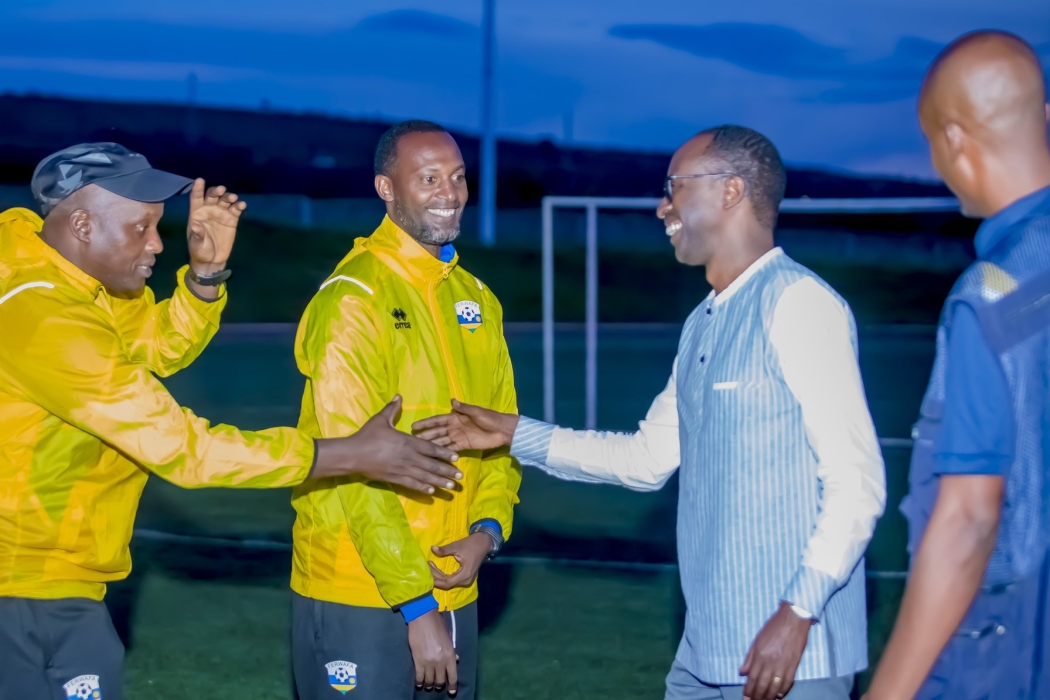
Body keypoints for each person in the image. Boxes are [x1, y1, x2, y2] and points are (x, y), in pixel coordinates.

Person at [0, 142, 464, 700]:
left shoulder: (63, 276)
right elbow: (183, 448)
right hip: (9, 578)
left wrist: (204, 278)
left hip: (52, 572)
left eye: (158, 225)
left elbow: (152, 346)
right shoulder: (45, 316)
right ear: (82, 224)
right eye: (141, 228)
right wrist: (346, 453)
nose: (158, 243)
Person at [415, 125, 888, 700]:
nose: (663, 207)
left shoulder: (797, 302)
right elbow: (645, 460)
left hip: (790, 656)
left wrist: (797, 613)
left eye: (675, 188)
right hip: (705, 651)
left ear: (732, 191)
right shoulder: (703, 323)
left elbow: (858, 484)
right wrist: (514, 434)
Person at [289, 120, 521, 700]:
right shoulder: (352, 300)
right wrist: (415, 606)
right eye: (428, 178)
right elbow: (354, 466)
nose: (450, 192)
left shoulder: (475, 298)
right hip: (361, 590)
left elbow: (499, 435)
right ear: (386, 189)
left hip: (454, 586)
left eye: (458, 177)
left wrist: (486, 532)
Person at [865, 32, 1050, 700]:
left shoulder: (995, 299)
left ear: (952, 140)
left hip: (1009, 650)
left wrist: (889, 692)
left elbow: (969, 520)